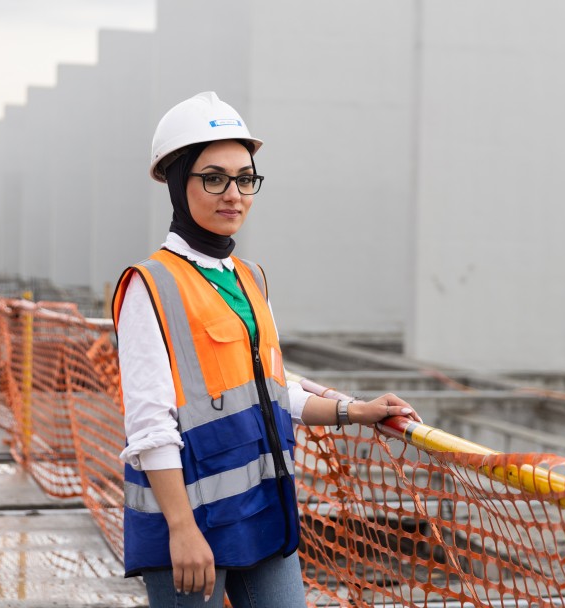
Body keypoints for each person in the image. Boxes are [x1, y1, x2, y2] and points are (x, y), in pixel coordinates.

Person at [111, 91, 421, 608]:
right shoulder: (152, 285)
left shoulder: (250, 278)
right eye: (213, 178)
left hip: (263, 514)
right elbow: (149, 424)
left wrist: (355, 411)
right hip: (191, 526)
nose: (233, 193)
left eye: (245, 178)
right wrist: (181, 530)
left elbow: (273, 389)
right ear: (176, 181)